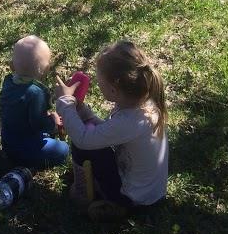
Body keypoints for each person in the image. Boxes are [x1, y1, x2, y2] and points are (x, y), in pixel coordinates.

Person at [55, 40, 168, 221]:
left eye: (100, 81)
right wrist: (85, 114)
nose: (98, 84)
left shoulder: (130, 120)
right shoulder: (143, 104)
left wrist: (65, 103)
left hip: (134, 197)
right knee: (90, 134)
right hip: (149, 191)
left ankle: (106, 201)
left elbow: (83, 139)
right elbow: (111, 132)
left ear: (114, 89)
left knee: (82, 146)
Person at [0, 35, 69, 169]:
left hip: (8, 141)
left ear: (11, 66)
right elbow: (39, 124)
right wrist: (52, 121)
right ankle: (29, 162)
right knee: (63, 149)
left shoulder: (8, 81)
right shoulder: (35, 93)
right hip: (25, 148)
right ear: (46, 69)